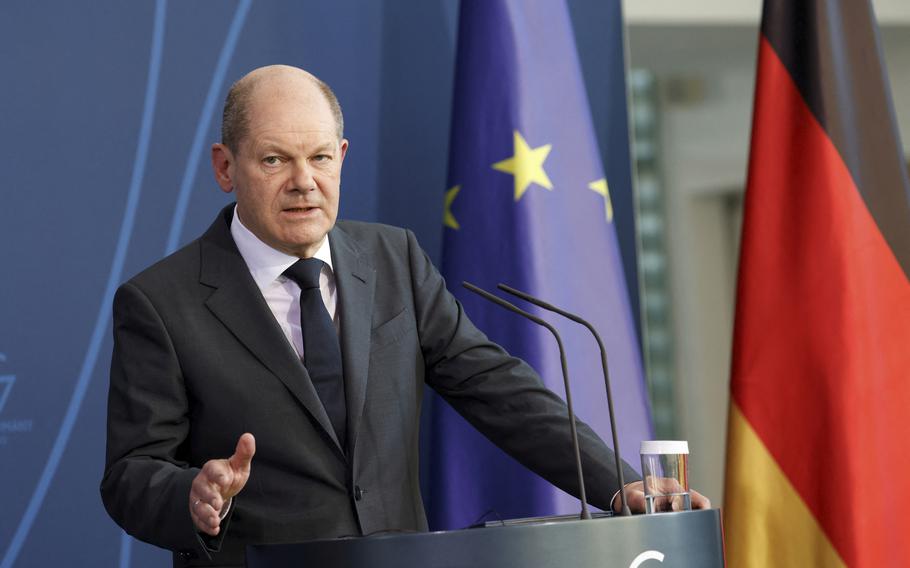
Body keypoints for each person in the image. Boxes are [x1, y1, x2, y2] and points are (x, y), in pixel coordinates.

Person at [100, 65, 708, 567]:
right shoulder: (161, 301)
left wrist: (617, 483)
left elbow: (497, 389)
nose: (304, 183)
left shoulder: (394, 260)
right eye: (274, 161)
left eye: (319, 158)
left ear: (342, 155)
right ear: (225, 167)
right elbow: (130, 473)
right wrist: (196, 496)